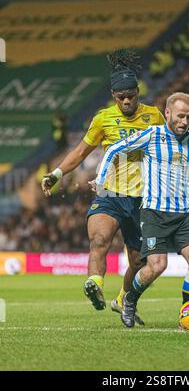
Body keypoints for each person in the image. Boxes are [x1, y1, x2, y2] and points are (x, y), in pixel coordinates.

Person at [41, 49, 165, 325]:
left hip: (142, 199)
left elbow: (168, 149)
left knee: (138, 261)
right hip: (109, 193)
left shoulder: (154, 116)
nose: (126, 101)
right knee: (99, 240)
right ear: (113, 96)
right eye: (120, 97)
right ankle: (94, 283)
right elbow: (81, 151)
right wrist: (57, 173)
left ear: (138, 92)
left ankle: (122, 299)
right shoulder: (103, 119)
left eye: (130, 96)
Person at [96, 92, 189, 328]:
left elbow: (186, 169)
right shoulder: (152, 135)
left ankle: (188, 315)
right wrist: (101, 178)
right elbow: (114, 149)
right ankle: (129, 301)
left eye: (188, 117)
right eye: (179, 116)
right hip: (154, 213)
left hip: (183, 214)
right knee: (157, 266)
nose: (184, 122)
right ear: (167, 113)